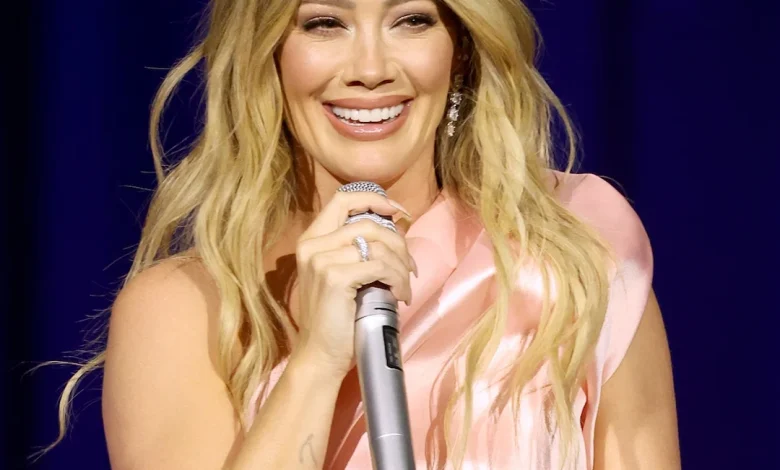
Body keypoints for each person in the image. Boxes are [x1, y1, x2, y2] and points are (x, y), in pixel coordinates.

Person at [45, 0, 680, 468]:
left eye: (412, 20)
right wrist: (315, 365)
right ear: (269, 52)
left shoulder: (578, 254)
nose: (371, 69)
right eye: (325, 23)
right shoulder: (183, 309)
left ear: (459, 49)